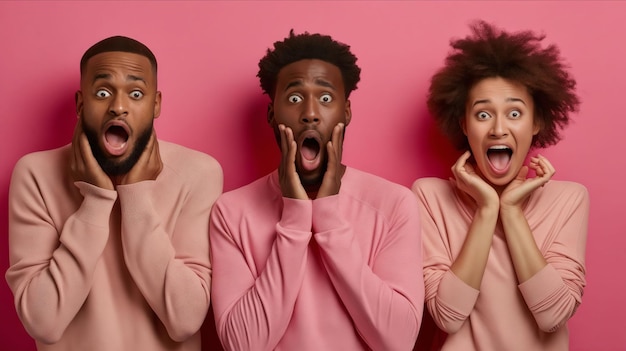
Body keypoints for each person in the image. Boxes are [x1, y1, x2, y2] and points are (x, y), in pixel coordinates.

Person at [209, 30, 424, 351]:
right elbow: (243, 345)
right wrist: (295, 215)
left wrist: (328, 216)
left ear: (346, 112)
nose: (310, 113)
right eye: (295, 98)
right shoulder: (230, 211)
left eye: (325, 99)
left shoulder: (394, 204)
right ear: (272, 114)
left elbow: (399, 341)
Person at [5, 36, 223, 351]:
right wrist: (95, 201)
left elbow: (185, 321)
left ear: (156, 104)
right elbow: (44, 323)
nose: (118, 107)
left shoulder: (199, 173)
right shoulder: (35, 174)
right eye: (103, 92)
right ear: (80, 104)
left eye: (136, 93)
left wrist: (136, 196)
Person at [412, 21, 588, 351]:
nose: (498, 129)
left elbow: (553, 315)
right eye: (482, 115)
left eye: (514, 113)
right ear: (464, 124)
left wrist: (510, 211)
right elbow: (448, 317)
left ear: (537, 122)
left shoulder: (569, 199)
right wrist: (487, 209)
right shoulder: (429, 197)